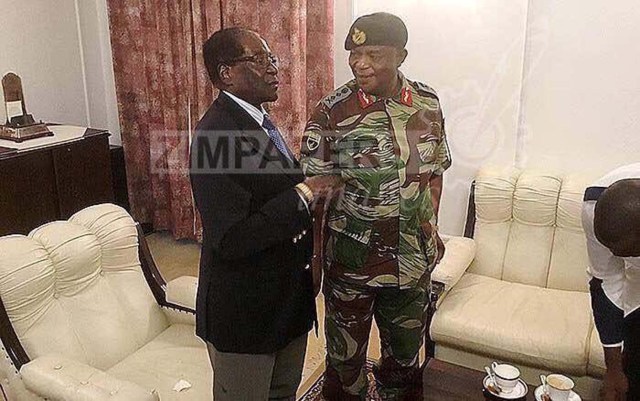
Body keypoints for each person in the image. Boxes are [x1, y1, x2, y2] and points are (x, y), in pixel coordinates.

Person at [300, 12, 452, 400]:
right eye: (354, 53)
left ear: (401, 56)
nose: (359, 63)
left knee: (403, 360)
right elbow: (315, 196)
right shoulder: (331, 112)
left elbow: (435, 172)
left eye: (372, 54)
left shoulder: (428, 103)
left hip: (412, 261)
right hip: (352, 261)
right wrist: (316, 258)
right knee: (344, 360)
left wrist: (429, 226)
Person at [189, 27, 342, 401]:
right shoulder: (215, 136)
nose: (275, 69)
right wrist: (305, 193)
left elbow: (269, 191)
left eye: (273, 59)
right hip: (246, 314)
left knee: (282, 393)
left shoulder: (259, 121)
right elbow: (232, 237)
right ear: (226, 73)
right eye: (261, 60)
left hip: (286, 301)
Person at [582, 163, 640, 401]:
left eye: (627, 252)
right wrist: (613, 370)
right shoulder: (593, 207)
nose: (617, 257)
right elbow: (606, 283)